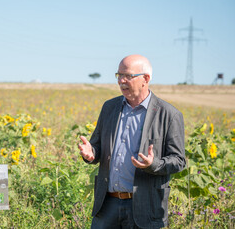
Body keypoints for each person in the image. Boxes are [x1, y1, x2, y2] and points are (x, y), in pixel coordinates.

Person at [78, 55, 186, 229]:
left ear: (146, 79)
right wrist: (92, 154)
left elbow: (178, 161)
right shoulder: (109, 107)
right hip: (107, 205)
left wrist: (153, 164)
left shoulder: (169, 115)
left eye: (128, 76)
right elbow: (97, 147)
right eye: (118, 75)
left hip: (145, 207)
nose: (121, 81)